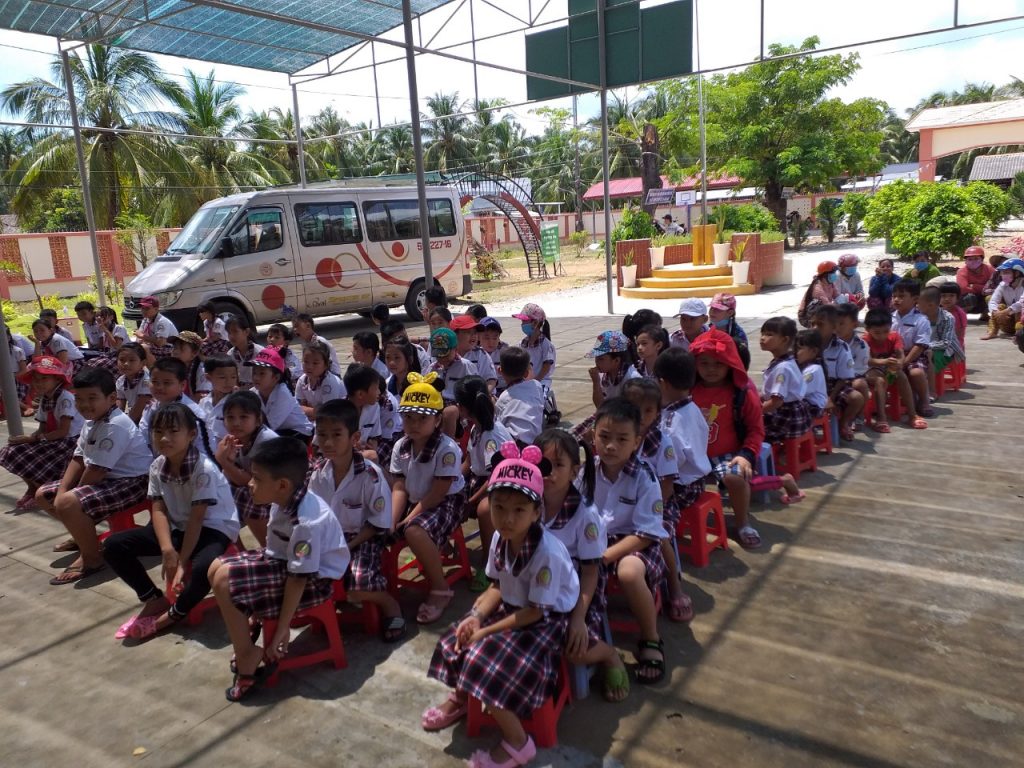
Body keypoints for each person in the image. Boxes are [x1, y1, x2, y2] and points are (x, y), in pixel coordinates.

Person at [423, 442, 579, 768]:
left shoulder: (546, 553)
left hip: (544, 622)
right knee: (456, 638)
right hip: (512, 608)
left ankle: (518, 741)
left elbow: (536, 611)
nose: (507, 519)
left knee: (483, 663)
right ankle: (462, 697)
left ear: (536, 512)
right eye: (499, 507)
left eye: (519, 510)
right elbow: (496, 585)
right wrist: (476, 616)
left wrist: (486, 631)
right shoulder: (499, 538)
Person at [209, 437, 350, 702]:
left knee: (225, 581)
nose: (250, 484)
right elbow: (276, 550)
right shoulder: (284, 497)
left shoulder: (305, 522)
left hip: (312, 581)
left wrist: (283, 627)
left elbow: (298, 578)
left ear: (282, 484)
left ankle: (247, 654)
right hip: (285, 563)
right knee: (216, 567)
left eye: (257, 478)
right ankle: (247, 639)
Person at [105, 403, 238, 639]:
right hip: (179, 526)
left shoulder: (203, 469)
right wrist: (167, 550)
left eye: (173, 431)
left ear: (191, 434)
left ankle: (171, 616)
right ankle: (153, 599)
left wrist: (181, 562)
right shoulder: (157, 466)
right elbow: (158, 510)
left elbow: (197, 518)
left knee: (203, 569)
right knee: (113, 546)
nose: (164, 438)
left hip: (212, 527)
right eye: (158, 432)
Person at [534, 428, 627, 702]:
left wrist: (577, 618)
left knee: (575, 649)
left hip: (576, 588)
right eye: (543, 465)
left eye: (558, 465)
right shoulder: (529, 503)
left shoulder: (585, 515)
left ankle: (609, 654)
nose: (549, 472)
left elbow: (590, 572)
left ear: (574, 471)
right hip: (536, 582)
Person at [37, 367, 152, 585]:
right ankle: (83, 535)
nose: (84, 405)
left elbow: (96, 471)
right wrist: (63, 492)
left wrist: (69, 498)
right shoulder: (91, 421)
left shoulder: (115, 425)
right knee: (43, 495)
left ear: (111, 398)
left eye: (92, 398)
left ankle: (92, 558)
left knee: (69, 503)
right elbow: (78, 458)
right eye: (79, 399)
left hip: (135, 482)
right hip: (106, 478)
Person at [307, 399, 405, 643]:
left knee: (357, 586)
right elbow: (312, 515)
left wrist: (346, 546)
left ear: (355, 437)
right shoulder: (317, 473)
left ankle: (389, 603)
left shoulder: (370, 475)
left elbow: (378, 524)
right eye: (322, 435)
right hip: (329, 537)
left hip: (363, 538)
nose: (327, 442)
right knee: (297, 573)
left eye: (336, 435)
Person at [590, 397, 668, 684]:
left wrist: (604, 557)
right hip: (594, 540)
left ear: (636, 442)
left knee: (629, 572)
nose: (611, 446)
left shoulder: (645, 478)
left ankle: (650, 638)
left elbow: (646, 534)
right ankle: (586, 634)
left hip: (635, 543)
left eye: (622, 439)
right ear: (593, 435)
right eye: (604, 437)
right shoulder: (585, 472)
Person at [390, 372, 466, 624]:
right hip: (418, 498)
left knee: (413, 530)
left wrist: (407, 519)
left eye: (422, 418)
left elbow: (438, 492)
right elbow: (399, 487)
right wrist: (392, 520)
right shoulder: (401, 446)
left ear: (437, 420)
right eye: (408, 417)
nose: (414, 423)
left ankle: (441, 588)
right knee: (377, 523)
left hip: (447, 501)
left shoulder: (447, 449)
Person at [689, 329, 766, 549]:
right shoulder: (686, 390)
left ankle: (743, 523)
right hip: (692, 455)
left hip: (728, 455)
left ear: (730, 363)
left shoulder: (741, 393)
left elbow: (756, 429)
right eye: (704, 363)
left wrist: (746, 455)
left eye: (718, 363)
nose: (711, 369)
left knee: (735, 478)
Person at [621, 378, 688, 623]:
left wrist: (644, 508)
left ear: (657, 412)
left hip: (658, 504)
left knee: (660, 535)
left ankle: (675, 586)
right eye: (634, 408)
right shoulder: (618, 435)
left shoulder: (662, 442)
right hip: (620, 501)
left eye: (648, 410)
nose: (641, 415)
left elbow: (667, 487)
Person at [0, 356, 84, 510]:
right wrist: (28, 439)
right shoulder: (46, 398)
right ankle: (32, 488)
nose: (39, 383)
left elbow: (63, 431)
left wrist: (34, 439)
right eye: (36, 379)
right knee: (11, 451)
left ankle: (42, 492)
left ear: (57, 379)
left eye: (44, 378)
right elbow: (43, 427)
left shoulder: (65, 399)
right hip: (54, 438)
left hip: (70, 441)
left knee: (32, 457)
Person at [455, 376, 514, 593]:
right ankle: (439, 548)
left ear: (463, 408)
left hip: (503, 483)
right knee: (446, 494)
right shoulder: (475, 428)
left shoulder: (491, 435)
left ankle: (488, 563)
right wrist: (452, 479)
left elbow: (495, 477)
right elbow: (468, 462)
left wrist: (470, 501)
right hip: (480, 479)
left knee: (483, 509)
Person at [215, 390, 278, 545]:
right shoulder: (234, 440)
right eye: (230, 417)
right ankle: (238, 548)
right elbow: (229, 478)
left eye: (243, 417)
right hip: (260, 486)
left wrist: (224, 461)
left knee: (248, 499)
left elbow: (251, 481)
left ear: (258, 420)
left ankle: (268, 546)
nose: (236, 423)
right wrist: (228, 461)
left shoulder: (266, 441)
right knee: (217, 494)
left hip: (279, 489)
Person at [812, 305, 863, 441]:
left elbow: (844, 378)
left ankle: (843, 423)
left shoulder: (841, 347)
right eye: (813, 324)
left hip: (834, 386)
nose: (815, 328)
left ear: (834, 327)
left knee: (856, 398)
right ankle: (809, 427)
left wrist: (830, 397)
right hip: (811, 386)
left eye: (820, 324)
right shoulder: (806, 343)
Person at [759, 317, 814, 442]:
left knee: (746, 425)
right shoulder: (786, 360)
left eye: (769, 334)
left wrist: (756, 411)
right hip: (792, 413)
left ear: (784, 340)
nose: (762, 338)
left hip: (786, 419)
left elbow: (776, 402)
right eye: (762, 334)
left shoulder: (782, 367)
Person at [138, 357, 208, 455]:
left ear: (182, 385)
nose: (159, 387)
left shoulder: (194, 414)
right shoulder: (151, 407)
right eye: (154, 382)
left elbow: (204, 450)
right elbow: (143, 438)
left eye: (167, 383)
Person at [862, 308, 917, 432]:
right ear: (867, 329)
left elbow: (900, 354)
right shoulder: (864, 340)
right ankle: (881, 417)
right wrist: (885, 361)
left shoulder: (894, 336)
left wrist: (899, 363)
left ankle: (912, 415)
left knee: (901, 375)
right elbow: (867, 361)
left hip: (887, 369)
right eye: (877, 332)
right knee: (880, 380)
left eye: (885, 331)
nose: (882, 336)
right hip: (869, 371)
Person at [248, 347, 312, 442]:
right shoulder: (253, 393)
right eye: (254, 373)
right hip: (277, 431)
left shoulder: (282, 393)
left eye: (262, 373)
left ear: (276, 377)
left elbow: (269, 426)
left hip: (299, 433)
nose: (256, 377)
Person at [891, 279, 933, 424]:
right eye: (894, 296)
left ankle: (924, 400)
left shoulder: (921, 320)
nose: (896, 299)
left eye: (902, 296)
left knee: (916, 373)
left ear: (915, 299)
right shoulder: (890, 318)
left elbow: (920, 345)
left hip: (915, 355)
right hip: (894, 354)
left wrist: (906, 361)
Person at [429, 327, 478, 436]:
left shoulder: (466, 366)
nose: (442, 358)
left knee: (449, 412)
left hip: (460, 406)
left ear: (455, 349)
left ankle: (448, 443)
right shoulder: (432, 368)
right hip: (436, 404)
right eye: (438, 354)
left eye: (445, 354)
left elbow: (474, 390)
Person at [918, 286, 964, 396]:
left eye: (919, 303)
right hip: (925, 347)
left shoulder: (947, 318)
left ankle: (931, 390)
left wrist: (925, 346)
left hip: (947, 350)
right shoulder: (919, 316)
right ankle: (919, 384)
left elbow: (946, 343)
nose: (917, 305)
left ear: (930, 305)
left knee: (929, 357)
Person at [495, 346, 545, 446]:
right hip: (535, 444)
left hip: (513, 445)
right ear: (526, 373)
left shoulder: (504, 397)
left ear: (499, 370)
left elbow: (499, 421)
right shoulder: (537, 386)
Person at [835, 303, 871, 423]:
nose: (837, 327)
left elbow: (860, 369)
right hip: (832, 380)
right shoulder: (830, 343)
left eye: (841, 323)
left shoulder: (861, 345)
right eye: (835, 323)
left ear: (854, 325)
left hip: (852, 378)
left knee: (860, 384)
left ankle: (858, 415)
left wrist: (845, 378)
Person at [588, 330, 640, 407]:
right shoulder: (603, 376)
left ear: (616, 360)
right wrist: (596, 382)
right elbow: (599, 405)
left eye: (601, 359)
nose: (596, 362)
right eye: (596, 358)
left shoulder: (632, 379)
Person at [296, 340, 346, 420]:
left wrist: (309, 411)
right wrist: (313, 411)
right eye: (306, 362)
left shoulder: (330, 383)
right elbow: (297, 407)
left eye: (315, 363)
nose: (309, 367)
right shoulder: (302, 381)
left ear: (326, 365)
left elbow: (327, 413)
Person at [198, 355, 239, 445]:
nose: (229, 382)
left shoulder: (238, 403)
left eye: (233, 377)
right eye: (222, 377)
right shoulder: (203, 402)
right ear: (208, 377)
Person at [514, 303, 555, 390]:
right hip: (526, 382)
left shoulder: (545, 344)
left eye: (524, 321)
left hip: (542, 381)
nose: (522, 324)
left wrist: (536, 380)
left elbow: (546, 366)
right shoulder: (522, 344)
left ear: (535, 323)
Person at [982, 257, 1024, 340]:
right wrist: (996, 312)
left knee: (1019, 311)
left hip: (1021, 322)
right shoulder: (1002, 285)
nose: (1002, 275)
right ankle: (992, 332)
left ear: (1017, 273)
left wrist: (1006, 311)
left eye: (1006, 272)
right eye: (1002, 272)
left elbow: (1021, 303)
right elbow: (993, 301)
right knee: (999, 306)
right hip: (1007, 322)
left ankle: (1018, 335)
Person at [453, 315, 498, 393]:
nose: (473, 336)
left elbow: (491, 380)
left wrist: (481, 395)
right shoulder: (447, 354)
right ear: (455, 335)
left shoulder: (480, 354)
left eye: (475, 332)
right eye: (468, 332)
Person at [708, 293, 751, 370]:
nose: (712, 311)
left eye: (718, 309)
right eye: (712, 308)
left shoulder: (738, 334)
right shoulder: (706, 330)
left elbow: (742, 360)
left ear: (730, 313)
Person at [115, 342, 152, 424]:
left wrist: (124, 425)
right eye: (122, 360)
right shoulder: (120, 381)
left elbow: (139, 409)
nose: (126, 364)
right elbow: (119, 407)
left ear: (143, 363)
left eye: (132, 360)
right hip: (135, 419)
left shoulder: (147, 380)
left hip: (149, 419)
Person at [134, 295, 177, 365]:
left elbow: (161, 342)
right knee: (134, 349)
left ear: (156, 309)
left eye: (147, 308)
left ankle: (155, 368)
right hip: (155, 347)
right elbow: (139, 336)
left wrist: (142, 336)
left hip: (168, 349)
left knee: (143, 348)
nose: (143, 311)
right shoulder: (146, 320)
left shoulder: (162, 321)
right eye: (142, 308)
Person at [795, 329, 828, 420]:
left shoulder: (813, 370)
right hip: (805, 402)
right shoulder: (802, 366)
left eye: (798, 348)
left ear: (814, 351)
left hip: (814, 407)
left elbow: (798, 392)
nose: (794, 352)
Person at [956, 246, 993, 319]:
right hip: (970, 299)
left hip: (984, 296)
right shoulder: (962, 271)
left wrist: (974, 286)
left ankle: (985, 314)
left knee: (992, 297)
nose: (973, 261)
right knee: (969, 297)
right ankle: (962, 316)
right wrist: (984, 288)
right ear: (965, 261)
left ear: (982, 259)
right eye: (970, 259)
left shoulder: (989, 269)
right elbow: (963, 288)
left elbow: (995, 285)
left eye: (976, 259)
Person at [225, 314, 263, 387]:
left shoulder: (260, 352)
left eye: (235, 331)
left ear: (246, 332)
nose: (231, 336)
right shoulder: (230, 354)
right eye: (229, 333)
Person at [798, 261, 839, 327]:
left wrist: (847, 300)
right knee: (821, 305)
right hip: (805, 317)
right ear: (825, 275)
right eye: (833, 273)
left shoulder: (831, 284)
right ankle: (816, 327)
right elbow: (827, 305)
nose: (835, 275)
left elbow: (838, 296)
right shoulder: (817, 288)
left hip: (822, 311)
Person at [170, 331, 209, 399]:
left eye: (181, 348)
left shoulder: (201, 370)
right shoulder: (170, 367)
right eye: (175, 347)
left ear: (194, 353)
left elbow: (200, 398)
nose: (175, 352)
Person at [477, 317, 509, 393]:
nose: (491, 342)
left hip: (504, 389)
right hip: (482, 390)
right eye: (486, 338)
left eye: (495, 338)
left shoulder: (506, 351)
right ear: (478, 337)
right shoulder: (474, 352)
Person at [938, 283, 968, 349]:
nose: (947, 299)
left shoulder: (960, 314)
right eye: (943, 296)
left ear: (957, 298)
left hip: (954, 347)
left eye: (951, 295)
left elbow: (959, 335)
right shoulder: (936, 312)